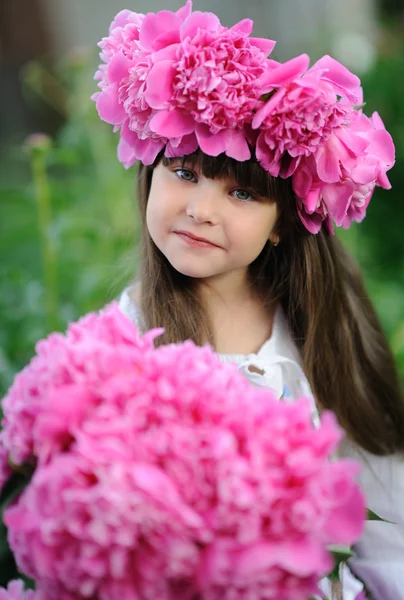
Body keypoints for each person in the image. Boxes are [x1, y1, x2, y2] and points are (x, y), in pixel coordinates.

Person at [93, 2, 404, 598]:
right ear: (148, 177)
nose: (200, 209)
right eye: (183, 172)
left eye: (240, 192)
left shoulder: (320, 335)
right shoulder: (125, 342)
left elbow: (385, 522)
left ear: (283, 222)